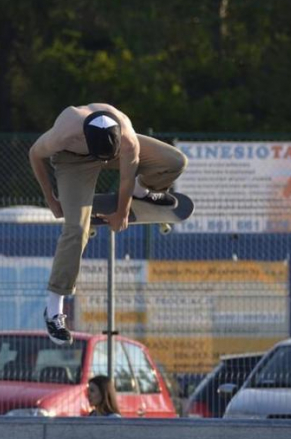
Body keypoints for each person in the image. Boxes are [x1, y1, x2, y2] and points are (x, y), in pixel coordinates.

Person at [29, 103, 188, 344]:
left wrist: (121, 212)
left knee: (174, 161)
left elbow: (126, 177)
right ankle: (54, 308)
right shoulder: (66, 129)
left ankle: (142, 190)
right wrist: (50, 198)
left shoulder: (127, 137)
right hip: (74, 161)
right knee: (76, 230)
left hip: (119, 152)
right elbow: (35, 154)